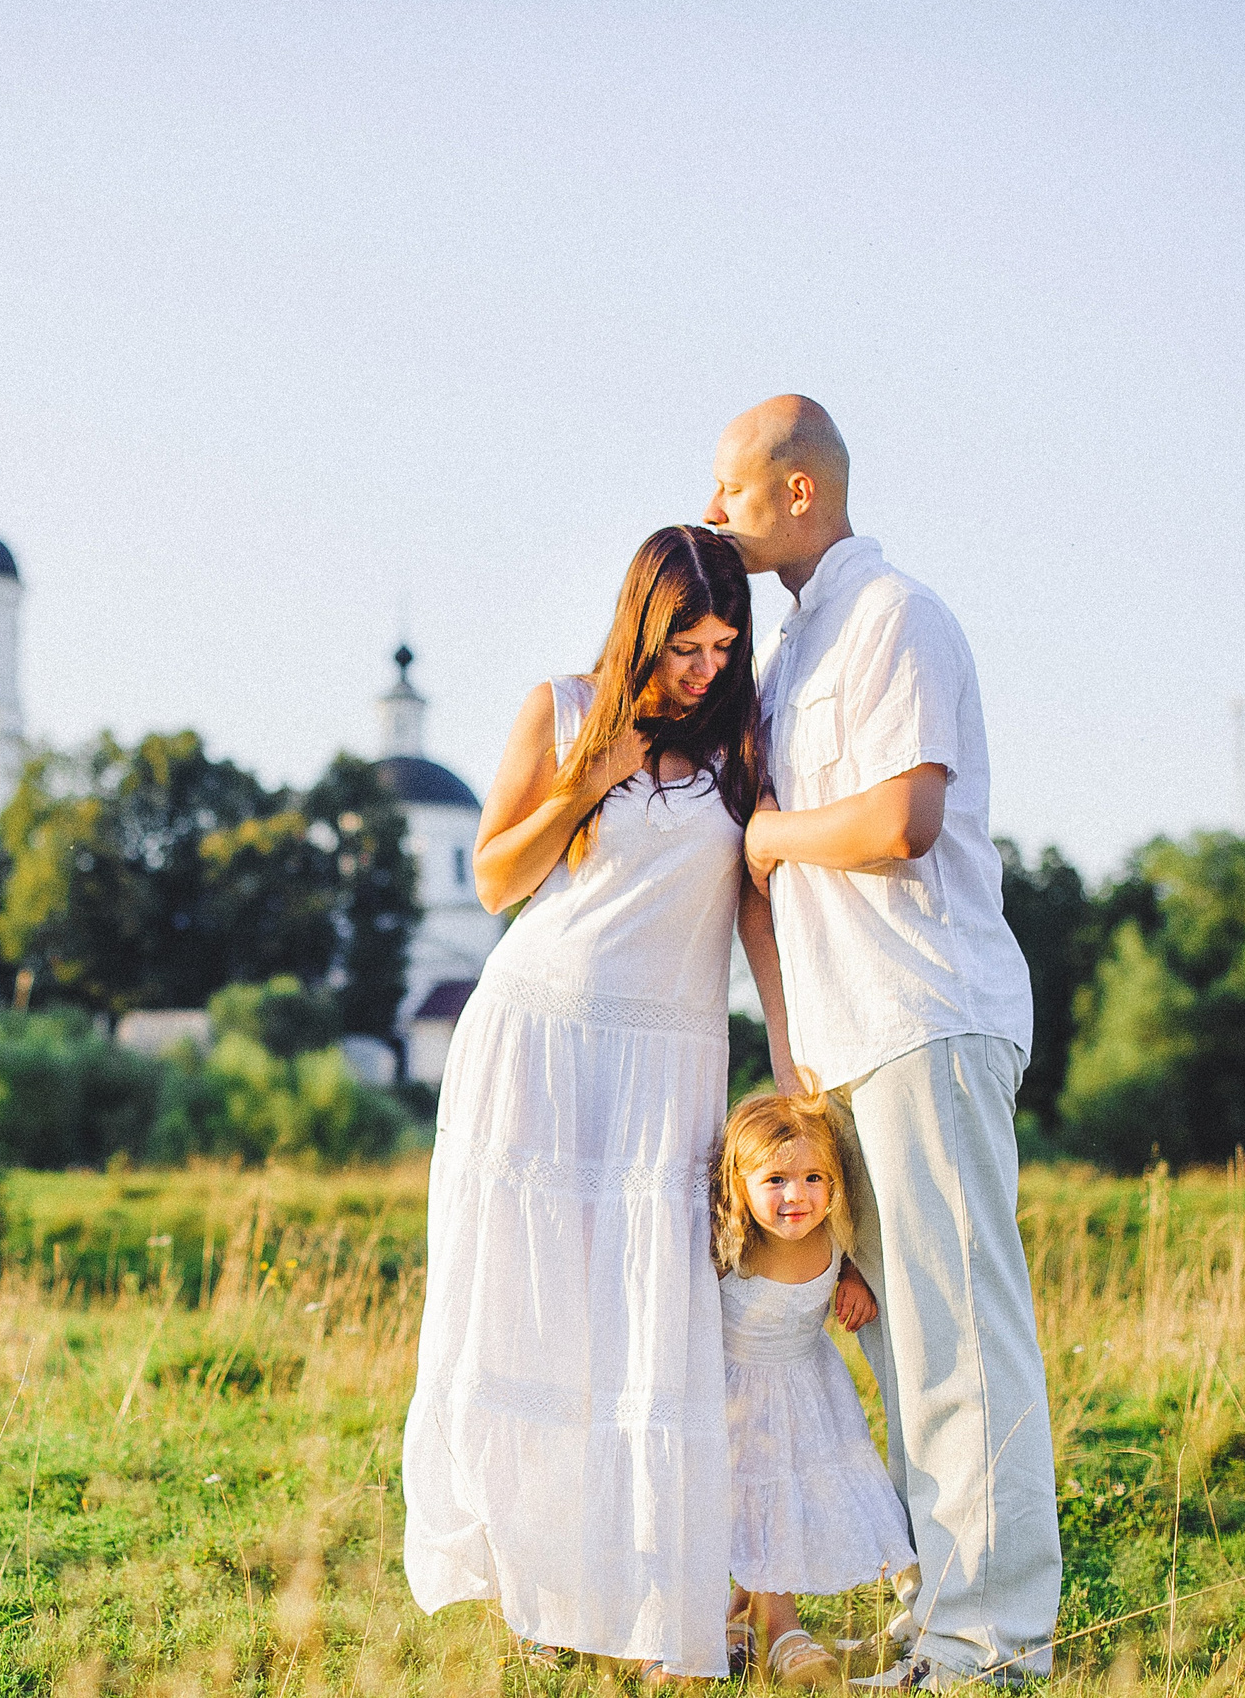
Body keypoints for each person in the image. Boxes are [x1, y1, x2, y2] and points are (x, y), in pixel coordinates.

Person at [401, 524, 820, 1680]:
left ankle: (653, 1594)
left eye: (723, 647)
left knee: (652, 1324)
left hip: (668, 1060)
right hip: (537, 1039)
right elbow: (496, 877)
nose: (703, 668)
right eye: (685, 645)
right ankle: (540, 1596)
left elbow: (752, 906)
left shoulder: (741, 738)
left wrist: (787, 1054)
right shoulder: (562, 707)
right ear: (642, 624)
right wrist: (583, 783)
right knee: (539, 1317)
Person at [703, 395, 1060, 1687]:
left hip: (927, 1016)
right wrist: (790, 1045)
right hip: (846, 1044)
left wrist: (771, 834)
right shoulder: (795, 650)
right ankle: (938, 1619)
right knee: (899, 1347)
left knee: (959, 1341)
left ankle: (992, 1645)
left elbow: (905, 818)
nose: (713, 511)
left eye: (731, 487)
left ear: (798, 489)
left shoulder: (897, 615)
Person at [709, 1089, 914, 1687]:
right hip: (738, 1396)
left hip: (806, 1392)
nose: (796, 1195)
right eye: (775, 1180)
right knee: (757, 1504)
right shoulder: (729, 1248)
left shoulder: (835, 1237)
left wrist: (853, 1278)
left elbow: (848, 1261)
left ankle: (743, 1617)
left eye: (813, 1178)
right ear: (740, 1184)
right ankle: (783, 1630)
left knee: (784, 1504)